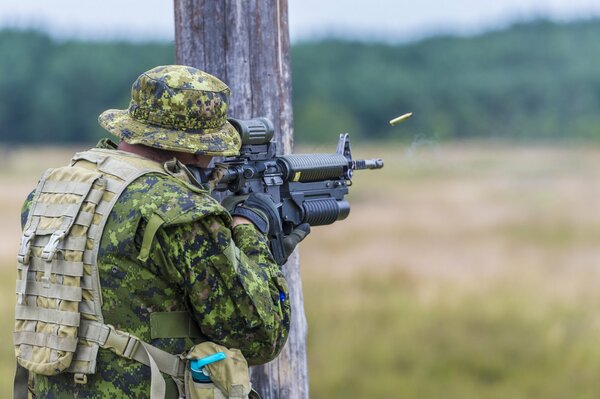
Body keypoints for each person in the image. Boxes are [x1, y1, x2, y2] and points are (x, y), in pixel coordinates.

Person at [14, 65, 305, 398]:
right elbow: (258, 337)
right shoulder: (180, 210)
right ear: (195, 148)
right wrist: (249, 232)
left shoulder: (55, 191)